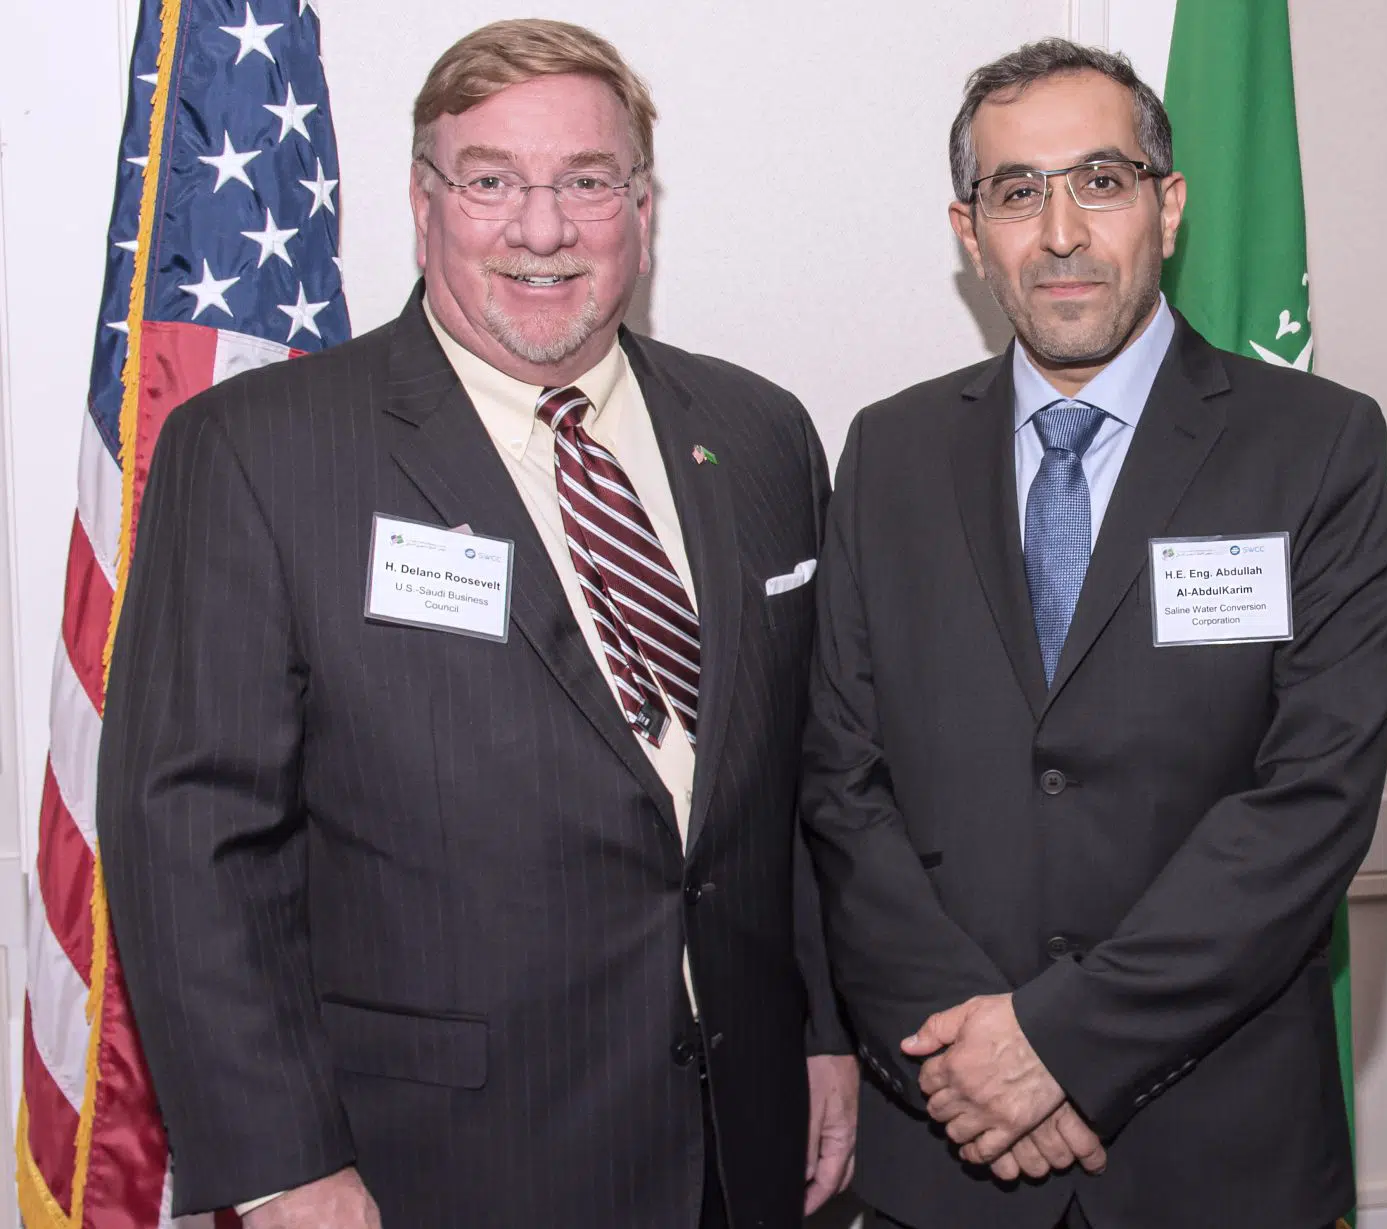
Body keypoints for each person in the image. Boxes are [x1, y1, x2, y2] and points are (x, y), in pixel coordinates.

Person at [99, 19, 856, 1228]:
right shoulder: (259, 451)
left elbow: (798, 779)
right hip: (432, 1163)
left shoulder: (761, 434)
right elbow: (189, 831)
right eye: (491, 181)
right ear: (424, 203)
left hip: (740, 1140)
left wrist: (821, 1026)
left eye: (587, 182)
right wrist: (282, 1161)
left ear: (642, 208)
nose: (541, 230)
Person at [800, 37, 1387, 1229]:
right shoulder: (887, 452)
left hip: (1216, 1153)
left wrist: (1058, 1043)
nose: (1062, 232)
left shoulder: (1317, 446)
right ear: (971, 233)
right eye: (1017, 192)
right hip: (946, 1141)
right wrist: (973, 1058)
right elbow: (841, 783)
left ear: (1167, 207)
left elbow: (1312, 800)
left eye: (1102, 180)